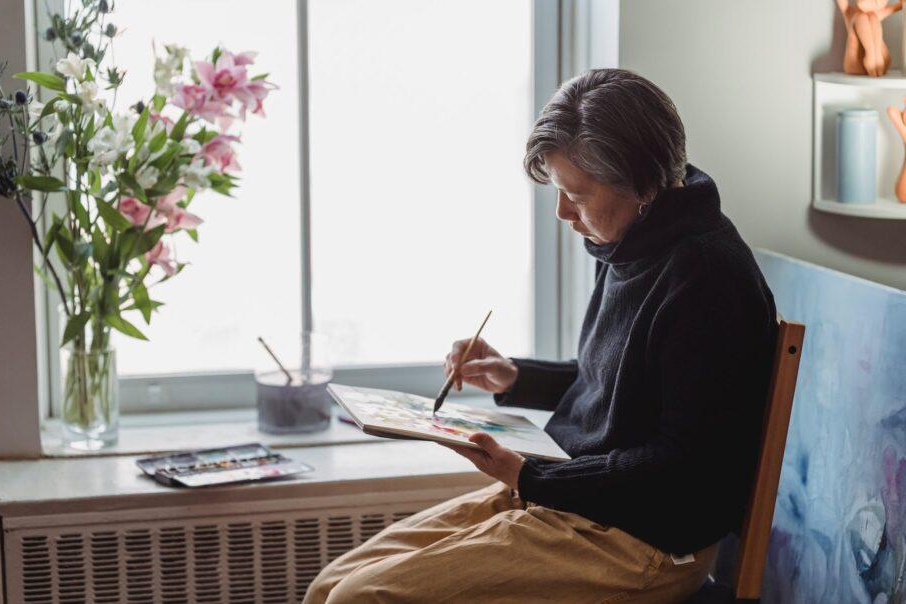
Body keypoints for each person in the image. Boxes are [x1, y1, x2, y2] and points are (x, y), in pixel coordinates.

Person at [305, 68, 778, 604]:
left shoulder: (708, 279)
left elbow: (684, 468)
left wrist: (531, 478)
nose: (562, 213)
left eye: (575, 194)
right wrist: (516, 377)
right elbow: (621, 390)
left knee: (358, 599)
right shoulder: (634, 238)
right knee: (328, 589)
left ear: (641, 185)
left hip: (645, 543)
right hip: (578, 501)